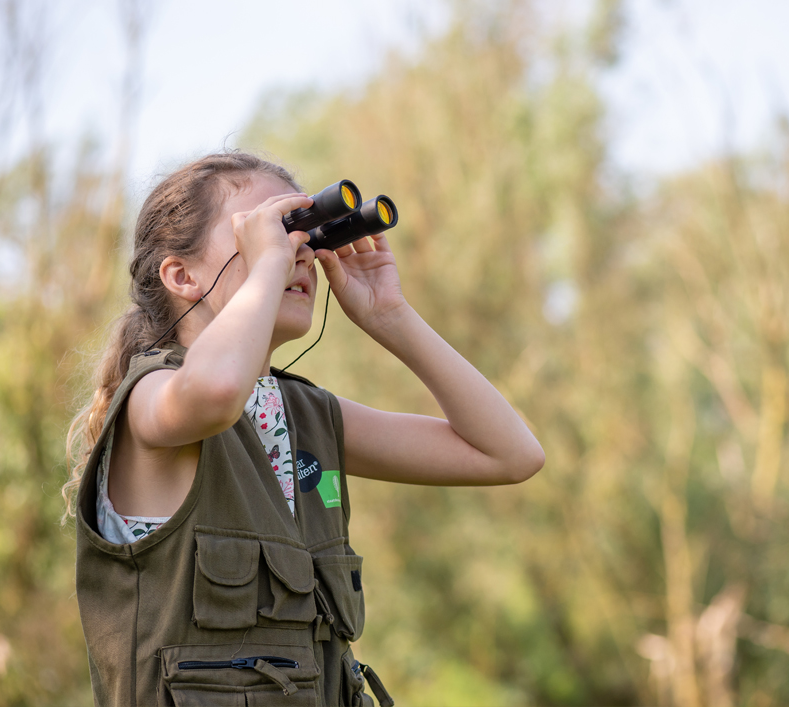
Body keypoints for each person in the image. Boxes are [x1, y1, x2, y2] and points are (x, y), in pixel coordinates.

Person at [63, 152, 544, 706]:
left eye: (303, 236)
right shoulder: (151, 401)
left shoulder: (304, 415)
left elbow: (510, 455)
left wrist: (391, 316)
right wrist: (270, 265)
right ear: (181, 275)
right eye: (265, 231)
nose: (298, 253)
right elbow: (215, 393)